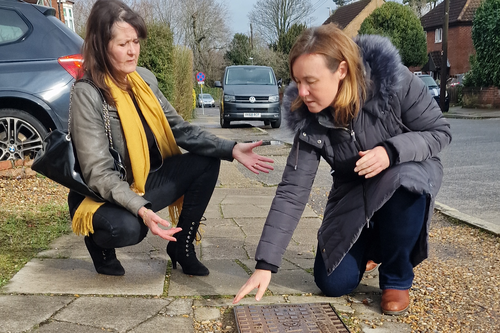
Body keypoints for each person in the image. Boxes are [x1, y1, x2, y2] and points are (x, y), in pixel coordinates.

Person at [233, 24, 451, 315]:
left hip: (403, 174)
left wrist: (391, 152)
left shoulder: (396, 82)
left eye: (310, 81)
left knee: (406, 184)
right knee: (334, 282)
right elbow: (292, 191)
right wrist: (265, 265)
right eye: (297, 81)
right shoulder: (308, 118)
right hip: (353, 191)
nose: (302, 92)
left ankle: (396, 278)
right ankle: (375, 246)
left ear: (342, 70)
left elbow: (439, 132)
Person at [68, 0, 273, 277]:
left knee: (207, 161)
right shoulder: (87, 93)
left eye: (136, 41)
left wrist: (231, 148)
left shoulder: (144, 80)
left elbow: (179, 129)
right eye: (122, 44)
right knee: (130, 229)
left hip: (143, 180)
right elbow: (99, 174)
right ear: (101, 46)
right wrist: (142, 210)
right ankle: (98, 243)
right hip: (102, 193)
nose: (132, 51)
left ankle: (182, 246)